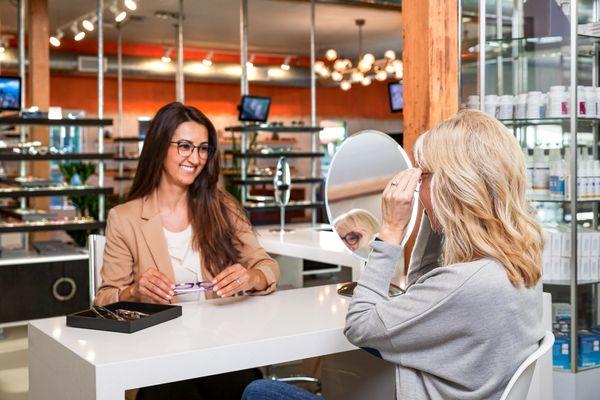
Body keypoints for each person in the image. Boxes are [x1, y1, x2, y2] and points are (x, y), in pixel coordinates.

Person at [242, 109, 544, 400]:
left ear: (449, 187)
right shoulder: (518, 264)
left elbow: (359, 325)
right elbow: (420, 286)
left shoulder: (464, 285)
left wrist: (390, 230)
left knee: (260, 392)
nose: (417, 186)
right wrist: (432, 208)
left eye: (423, 176)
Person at [96, 102, 280, 400]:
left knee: (247, 389)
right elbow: (105, 300)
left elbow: (266, 266)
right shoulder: (125, 218)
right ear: (159, 147)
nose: (195, 158)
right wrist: (134, 292)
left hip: (220, 349)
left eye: (203, 149)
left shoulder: (223, 207)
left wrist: (251, 277)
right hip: (158, 358)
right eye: (184, 146)